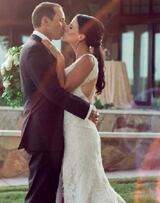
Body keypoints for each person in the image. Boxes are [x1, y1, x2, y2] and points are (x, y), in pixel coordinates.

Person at [18, 3, 99, 203]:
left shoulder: (43, 49)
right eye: (61, 20)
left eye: (67, 22)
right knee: (40, 196)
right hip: (43, 134)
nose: (64, 25)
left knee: (49, 195)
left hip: (52, 134)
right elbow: (53, 92)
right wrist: (86, 110)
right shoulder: (36, 50)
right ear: (45, 21)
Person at [42, 14, 126, 203]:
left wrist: (59, 59)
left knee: (85, 187)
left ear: (81, 37)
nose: (65, 28)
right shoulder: (80, 60)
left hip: (80, 134)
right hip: (71, 132)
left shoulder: (88, 60)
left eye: (70, 27)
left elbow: (63, 88)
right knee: (74, 184)